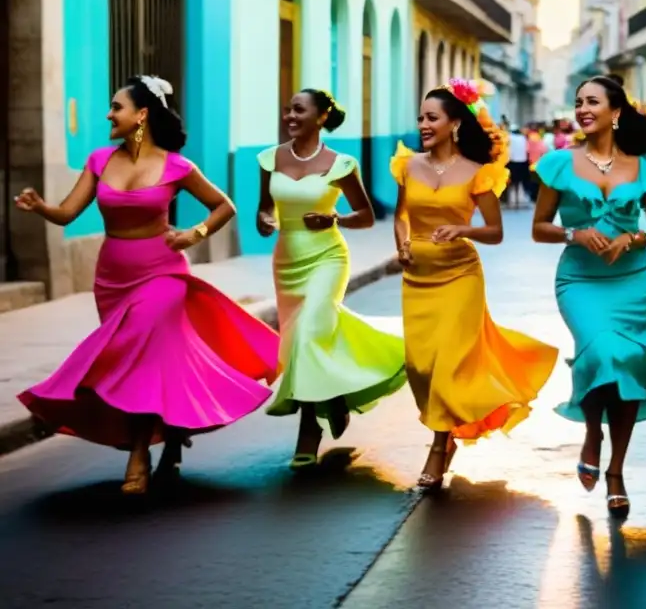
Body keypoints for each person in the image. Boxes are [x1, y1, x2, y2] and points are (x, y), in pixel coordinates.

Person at [16, 76, 279, 494]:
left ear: (141, 115)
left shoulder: (177, 165)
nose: (108, 114)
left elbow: (222, 207)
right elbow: (67, 214)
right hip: (113, 280)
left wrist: (192, 235)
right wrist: (40, 207)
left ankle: (139, 456)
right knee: (140, 366)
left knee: (142, 364)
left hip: (163, 275)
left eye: (116, 107)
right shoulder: (100, 160)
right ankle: (173, 437)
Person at [532, 75, 646, 520]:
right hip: (580, 282)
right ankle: (593, 433)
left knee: (624, 362)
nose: (583, 109)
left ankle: (616, 471)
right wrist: (576, 232)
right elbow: (540, 227)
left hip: (632, 281)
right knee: (604, 353)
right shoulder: (558, 163)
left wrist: (633, 237)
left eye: (593, 102)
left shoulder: (644, 165)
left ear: (616, 112)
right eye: (578, 102)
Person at [391, 79, 558, 492]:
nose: (424, 124)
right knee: (421, 366)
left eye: (432, 118)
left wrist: (462, 228)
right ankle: (445, 432)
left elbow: (495, 231)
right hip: (418, 278)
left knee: (448, 363)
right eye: (421, 118)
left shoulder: (478, 174)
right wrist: (402, 244)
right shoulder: (407, 165)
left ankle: (437, 446)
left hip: (461, 276)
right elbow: (401, 215)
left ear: (454, 124)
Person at [257, 88, 406, 469]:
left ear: (321, 117)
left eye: (299, 110)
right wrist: (266, 220)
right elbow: (263, 211)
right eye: (287, 109)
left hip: (327, 257)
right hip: (287, 260)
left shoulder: (341, 164)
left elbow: (366, 215)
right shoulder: (269, 159)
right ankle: (336, 399)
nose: (290, 116)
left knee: (309, 333)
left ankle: (309, 432)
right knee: (300, 341)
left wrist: (334, 218)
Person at [506, 126, 529, 209]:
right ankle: (518, 201)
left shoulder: (510, 137)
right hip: (522, 162)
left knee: (511, 183)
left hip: (513, 162)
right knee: (519, 182)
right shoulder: (523, 138)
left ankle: (511, 201)